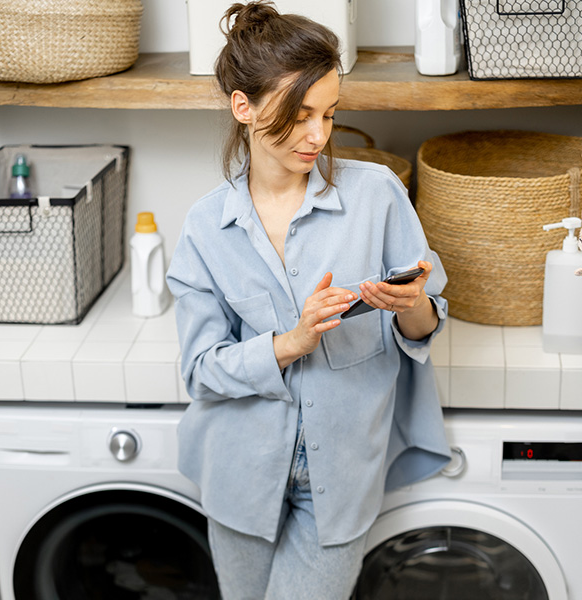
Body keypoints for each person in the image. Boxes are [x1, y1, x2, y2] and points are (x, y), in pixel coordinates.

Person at [166, 2, 451, 598]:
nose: (318, 135)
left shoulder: (377, 196)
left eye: (328, 113)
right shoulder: (204, 227)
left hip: (343, 476)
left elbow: (425, 325)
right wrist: (291, 342)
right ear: (243, 108)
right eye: (299, 115)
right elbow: (199, 372)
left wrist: (412, 306)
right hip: (238, 473)